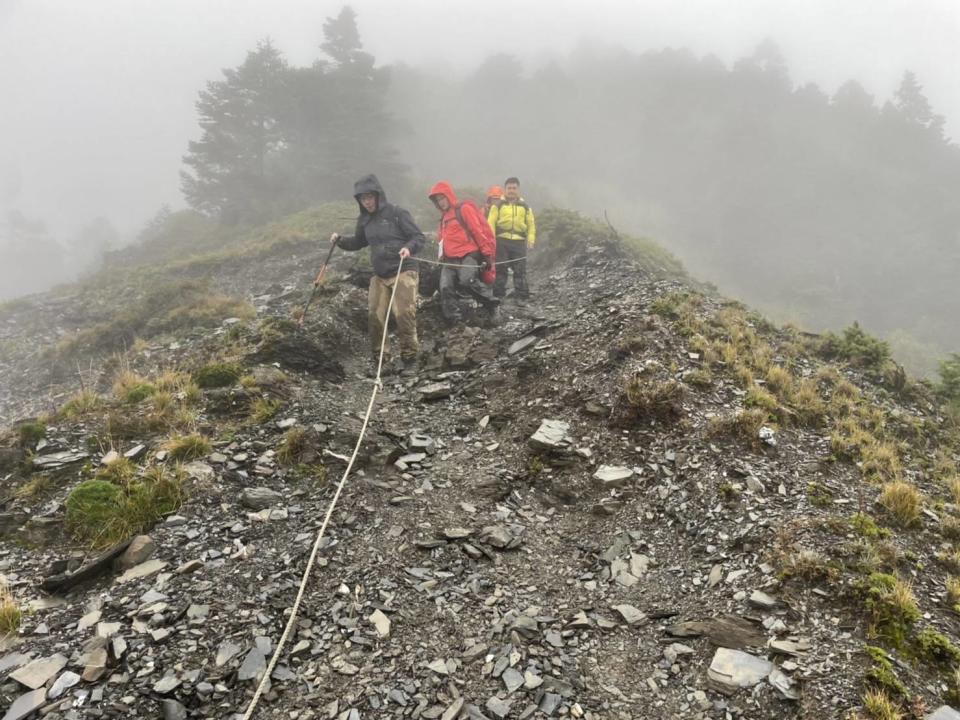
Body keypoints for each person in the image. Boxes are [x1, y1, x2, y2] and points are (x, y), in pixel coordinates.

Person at [331, 174, 425, 373]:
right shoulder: (364, 220)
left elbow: (418, 237)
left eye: (369, 197)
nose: (367, 202)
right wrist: (339, 240)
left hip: (403, 269)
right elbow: (358, 242)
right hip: (380, 274)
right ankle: (381, 359)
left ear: (378, 195)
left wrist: (408, 247)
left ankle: (410, 357)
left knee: (403, 313)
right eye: (363, 199)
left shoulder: (397, 212)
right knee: (374, 315)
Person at [427, 181, 499, 326]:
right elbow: (443, 241)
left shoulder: (464, 209)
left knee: (467, 281)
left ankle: (493, 304)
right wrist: (440, 259)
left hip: (469, 254)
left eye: (442, 198)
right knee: (445, 287)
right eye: (437, 200)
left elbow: (477, 231)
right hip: (449, 259)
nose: (441, 203)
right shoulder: (443, 219)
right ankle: (456, 322)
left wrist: (487, 255)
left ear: (449, 196)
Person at [488, 176, 536, 299]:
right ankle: (498, 297)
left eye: (514, 188)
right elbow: (491, 223)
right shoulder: (498, 205)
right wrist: (491, 240)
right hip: (501, 241)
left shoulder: (525, 206)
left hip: (519, 242)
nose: (511, 190)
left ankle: (521, 297)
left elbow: (531, 224)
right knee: (501, 269)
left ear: (518, 189)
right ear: (505, 189)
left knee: (520, 270)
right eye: (509, 188)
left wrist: (531, 240)